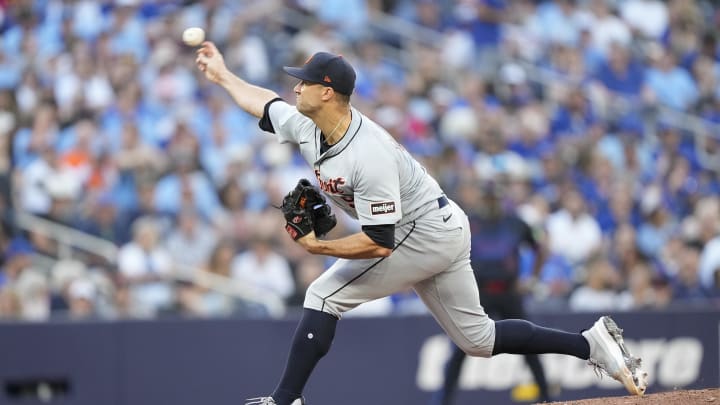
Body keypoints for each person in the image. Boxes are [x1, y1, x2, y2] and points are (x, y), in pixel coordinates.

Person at [194, 42, 647, 405]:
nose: (296, 89)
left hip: (421, 232)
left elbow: (378, 243)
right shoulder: (311, 125)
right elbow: (266, 105)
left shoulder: (366, 154)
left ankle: (286, 399)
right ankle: (591, 345)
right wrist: (222, 75)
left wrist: (319, 248)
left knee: (323, 293)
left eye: (304, 83)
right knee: (479, 340)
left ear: (327, 92)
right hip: (441, 226)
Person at [431, 180, 551, 404]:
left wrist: (531, 278)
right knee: (460, 346)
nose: (491, 203)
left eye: (495, 199)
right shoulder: (470, 221)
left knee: (528, 341)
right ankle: (442, 400)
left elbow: (540, 247)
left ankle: (546, 395)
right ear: (482, 199)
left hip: (508, 292)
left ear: (501, 199)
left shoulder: (516, 223)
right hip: (478, 293)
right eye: (488, 199)